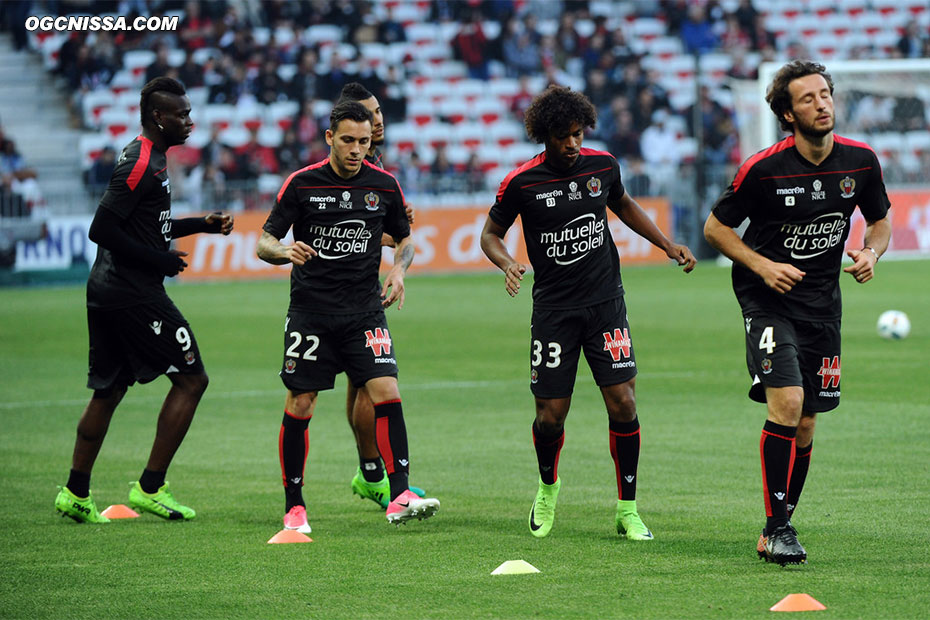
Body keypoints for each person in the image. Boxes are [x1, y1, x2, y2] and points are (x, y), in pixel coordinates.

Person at [480, 86, 696, 540]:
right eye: (563, 136)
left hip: (606, 305)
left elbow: (624, 204)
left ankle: (628, 509)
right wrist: (508, 263)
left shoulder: (603, 166)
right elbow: (490, 235)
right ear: (545, 136)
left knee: (624, 402)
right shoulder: (521, 183)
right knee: (550, 415)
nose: (573, 143)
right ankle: (547, 487)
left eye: (578, 133)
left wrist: (667, 244)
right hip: (555, 312)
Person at [703, 60, 891, 566]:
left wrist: (872, 252)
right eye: (808, 98)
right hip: (766, 303)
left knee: (806, 423)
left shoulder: (860, 162)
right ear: (787, 113)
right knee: (786, 403)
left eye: (825, 94)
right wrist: (762, 265)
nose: (822, 103)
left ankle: (782, 519)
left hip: (823, 308)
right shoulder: (762, 169)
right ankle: (776, 528)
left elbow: (879, 221)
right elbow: (715, 230)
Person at [55, 77, 234, 524]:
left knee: (110, 389)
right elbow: (102, 229)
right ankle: (150, 487)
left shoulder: (151, 158)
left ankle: (75, 493)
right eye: (183, 114)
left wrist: (201, 225)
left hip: (109, 289)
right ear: (159, 117)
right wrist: (159, 259)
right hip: (131, 293)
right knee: (193, 379)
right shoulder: (138, 162)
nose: (190, 122)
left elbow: (146, 224)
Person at [256, 100, 439, 533]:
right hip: (311, 314)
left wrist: (399, 268)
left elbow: (406, 239)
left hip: (364, 312)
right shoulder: (302, 185)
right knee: (301, 403)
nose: (357, 149)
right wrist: (284, 251)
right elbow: (264, 240)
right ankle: (294, 505)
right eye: (348, 141)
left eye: (364, 141)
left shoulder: (384, 185)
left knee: (387, 390)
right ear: (329, 139)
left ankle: (401, 495)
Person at [333, 82, 426, 509]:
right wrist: (393, 231)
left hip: (363, 283)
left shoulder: (374, 160)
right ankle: (375, 473)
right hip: (341, 289)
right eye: (370, 113)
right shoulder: (349, 162)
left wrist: (393, 226)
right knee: (375, 382)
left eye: (379, 111)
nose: (378, 118)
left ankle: (369, 473)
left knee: (362, 381)